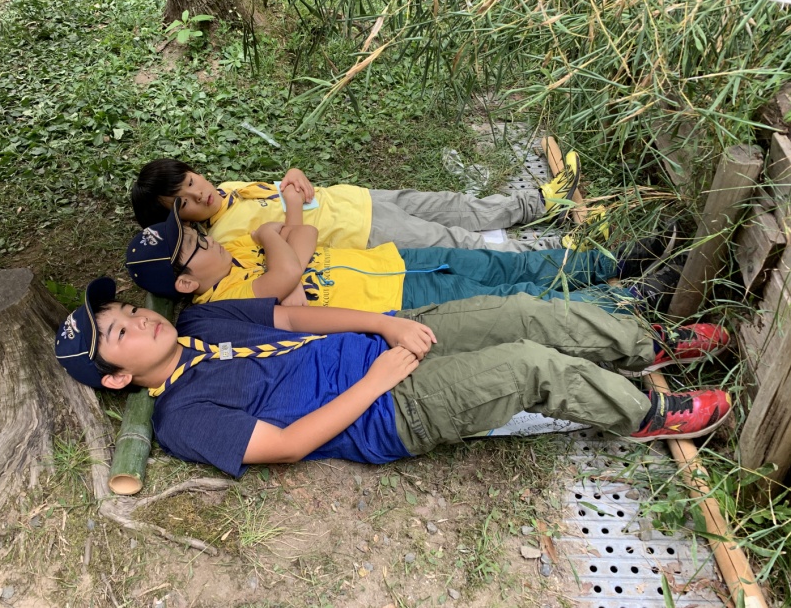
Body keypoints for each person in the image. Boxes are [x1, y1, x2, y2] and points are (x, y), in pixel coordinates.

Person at [54, 278, 732, 478]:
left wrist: (387, 324)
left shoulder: (203, 318)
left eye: (128, 312)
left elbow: (295, 313)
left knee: (521, 312)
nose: (138, 321)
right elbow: (287, 446)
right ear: (117, 379)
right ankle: (646, 414)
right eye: (119, 334)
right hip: (387, 409)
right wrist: (380, 378)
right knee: (528, 364)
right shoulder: (181, 418)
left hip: (383, 345)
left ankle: (646, 345)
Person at [124, 192, 681, 314]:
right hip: (395, 300)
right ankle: (630, 300)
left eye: (192, 233)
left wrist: (287, 253)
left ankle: (614, 262)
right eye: (190, 246)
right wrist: (276, 239)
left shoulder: (235, 249)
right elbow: (288, 268)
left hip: (393, 260)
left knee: (506, 265)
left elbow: (305, 243)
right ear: (186, 283)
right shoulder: (224, 301)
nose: (201, 238)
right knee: (512, 298)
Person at [130, 154, 584, 254]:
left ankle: (544, 202)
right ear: (179, 220)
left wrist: (296, 175)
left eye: (191, 181)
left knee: (455, 206)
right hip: (361, 233)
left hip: (360, 200)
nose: (199, 194)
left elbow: (291, 192)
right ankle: (562, 252)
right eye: (184, 202)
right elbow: (289, 253)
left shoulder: (231, 186)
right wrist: (292, 205)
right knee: (456, 241)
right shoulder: (227, 237)